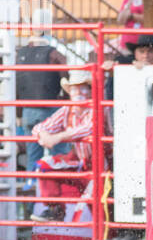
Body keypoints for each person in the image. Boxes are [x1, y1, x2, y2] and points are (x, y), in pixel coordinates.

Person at [30, 70, 97, 222]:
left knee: (101, 204)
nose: (78, 92)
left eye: (83, 88)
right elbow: (40, 127)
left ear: (91, 90)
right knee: (45, 164)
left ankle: (110, 237)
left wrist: (58, 137)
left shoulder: (97, 107)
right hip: (81, 163)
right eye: (74, 88)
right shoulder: (68, 110)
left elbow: (90, 128)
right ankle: (55, 209)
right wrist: (45, 135)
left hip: (102, 167)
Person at [16, 32, 68, 183]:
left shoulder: (20, 55)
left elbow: (17, 85)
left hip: (28, 109)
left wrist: (19, 114)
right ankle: (59, 197)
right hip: (53, 110)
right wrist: (67, 106)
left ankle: (32, 201)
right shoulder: (54, 54)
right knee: (59, 156)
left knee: (32, 158)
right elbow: (66, 80)